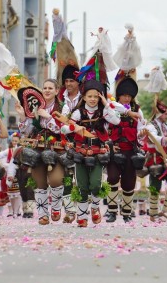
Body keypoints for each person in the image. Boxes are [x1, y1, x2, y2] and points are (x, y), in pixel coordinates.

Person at [61, 80, 120, 227]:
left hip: (98, 152)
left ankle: (94, 208)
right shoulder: (77, 113)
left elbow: (116, 121)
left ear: (99, 97)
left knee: (95, 184)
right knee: (82, 186)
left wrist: (107, 104)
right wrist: (75, 127)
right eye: (90, 96)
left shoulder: (104, 112)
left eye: (96, 96)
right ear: (84, 97)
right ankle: (82, 217)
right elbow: (64, 129)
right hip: (80, 152)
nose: (93, 99)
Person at [17, 79, 66, 225]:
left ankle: (56, 209)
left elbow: (62, 129)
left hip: (56, 148)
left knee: (56, 179)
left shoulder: (63, 108)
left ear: (57, 91)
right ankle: (43, 215)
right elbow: (26, 131)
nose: (47, 90)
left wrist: (47, 116)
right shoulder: (34, 106)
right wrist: (22, 116)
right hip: (37, 147)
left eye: (51, 88)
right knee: (39, 183)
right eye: (44, 87)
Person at [105, 76, 145, 223]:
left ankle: (127, 213)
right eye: (124, 96)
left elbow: (142, 128)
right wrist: (109, 144)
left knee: (129, 182)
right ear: (119, 96)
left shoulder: (138, 111)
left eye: (129, 96)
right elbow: (105, 129)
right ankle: (111, 211)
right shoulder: (111, 108)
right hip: (115, 150)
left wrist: (142, 134)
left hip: (131, 151)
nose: (127, 98)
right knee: (112, 178)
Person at [141, 100, 167, 222]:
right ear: (158, 114)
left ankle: (166, 210)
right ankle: (153, 213)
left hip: (166, 159)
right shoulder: (150, 126)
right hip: (154, 159)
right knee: (155, 186)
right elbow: (154, 138)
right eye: (165, 114)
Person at [60, 65, 81, 223]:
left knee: (80, 178)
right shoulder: (60, 99)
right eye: (66, 81)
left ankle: (81, 211)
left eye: (72, 81)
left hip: (83, 141)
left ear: (78, 82)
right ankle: (69, 211)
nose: (68, 84)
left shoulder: (86, 97)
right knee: (66, 178)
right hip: (65, 141)